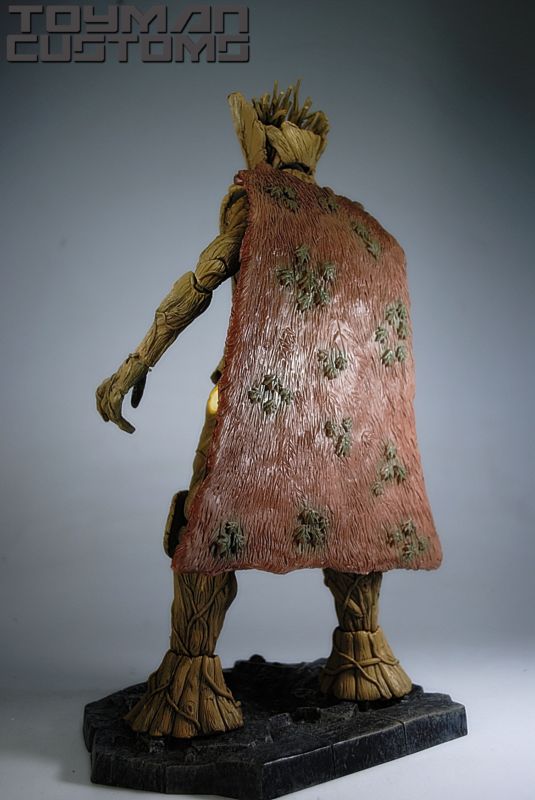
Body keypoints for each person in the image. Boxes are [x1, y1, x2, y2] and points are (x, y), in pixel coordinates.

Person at [96, 82, 442, 739]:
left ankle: (191, 681)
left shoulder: (259, 201)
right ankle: (362, 654)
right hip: (348, 414)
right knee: (353, 513)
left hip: (260, 406)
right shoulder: (368, 231)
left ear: (261, 149)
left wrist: (136, 362)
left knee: (208, 516)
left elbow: (198, 284)